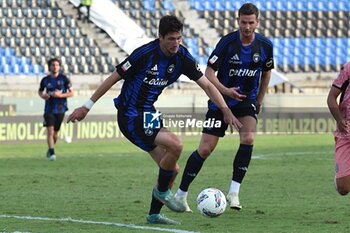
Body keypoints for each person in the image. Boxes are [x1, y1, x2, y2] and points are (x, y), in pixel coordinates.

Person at [67, 15, 241, 225]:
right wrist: (86, 106)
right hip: (129, 114)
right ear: (160, 37)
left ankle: (153, 214)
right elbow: (113, 77)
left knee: (171, 168)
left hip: (148, 113)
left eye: (179, 38)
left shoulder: (183, 58)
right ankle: (162, 192)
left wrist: (225, 110)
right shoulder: (145, 54)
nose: (176, 43)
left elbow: (207, 85)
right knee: (176, 144)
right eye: (171, 38)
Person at [175, 3, 274, 212]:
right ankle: (181, 194)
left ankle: (234, 192)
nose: (247, 27)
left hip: (246, 101)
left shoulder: (265, 46)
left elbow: (266, 73)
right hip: (220, 101)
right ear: (237, 21)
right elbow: (209, 73)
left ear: (257, 22)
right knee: (205, 149)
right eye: (244, 22)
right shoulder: (227, 43)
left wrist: (260, 100)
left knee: (248, 138)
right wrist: (225, 91)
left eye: (251, 23)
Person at [38, 58, 74, 161]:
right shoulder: (45, 80)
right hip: (49, 110)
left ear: (59, 67)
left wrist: (60, 95)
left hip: (61, 109)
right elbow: (40, 91)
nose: (55, 67)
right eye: (53, 65)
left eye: (57, 65)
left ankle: (50, 149)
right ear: (49, 67)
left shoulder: (64, 79)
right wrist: (43, 96)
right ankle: (52, 153)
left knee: (55, 133)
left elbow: (71, 93)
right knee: (50, 131)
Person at [327, 62, 350, 196]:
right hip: (346, 129)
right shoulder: (348, 68)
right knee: (343, 188)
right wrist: (340, 120)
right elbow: (331, 98)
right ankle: (340, 179)